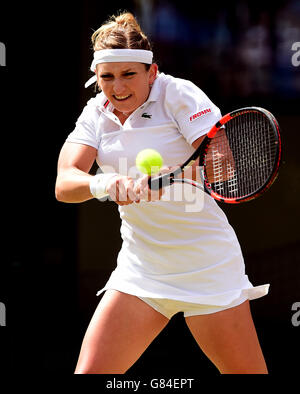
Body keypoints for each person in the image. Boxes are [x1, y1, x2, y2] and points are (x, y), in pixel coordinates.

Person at [55, 12, 269, 374]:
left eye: (128, 75)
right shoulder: (95, 112)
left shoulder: (178, 94)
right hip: (142, 269)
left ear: (151, 73)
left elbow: (224, 169)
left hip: (207, 266)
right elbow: (65, 183)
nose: (117, 87)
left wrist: (175, 175)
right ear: (96, 77)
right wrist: (107, 184)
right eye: (106, 77)